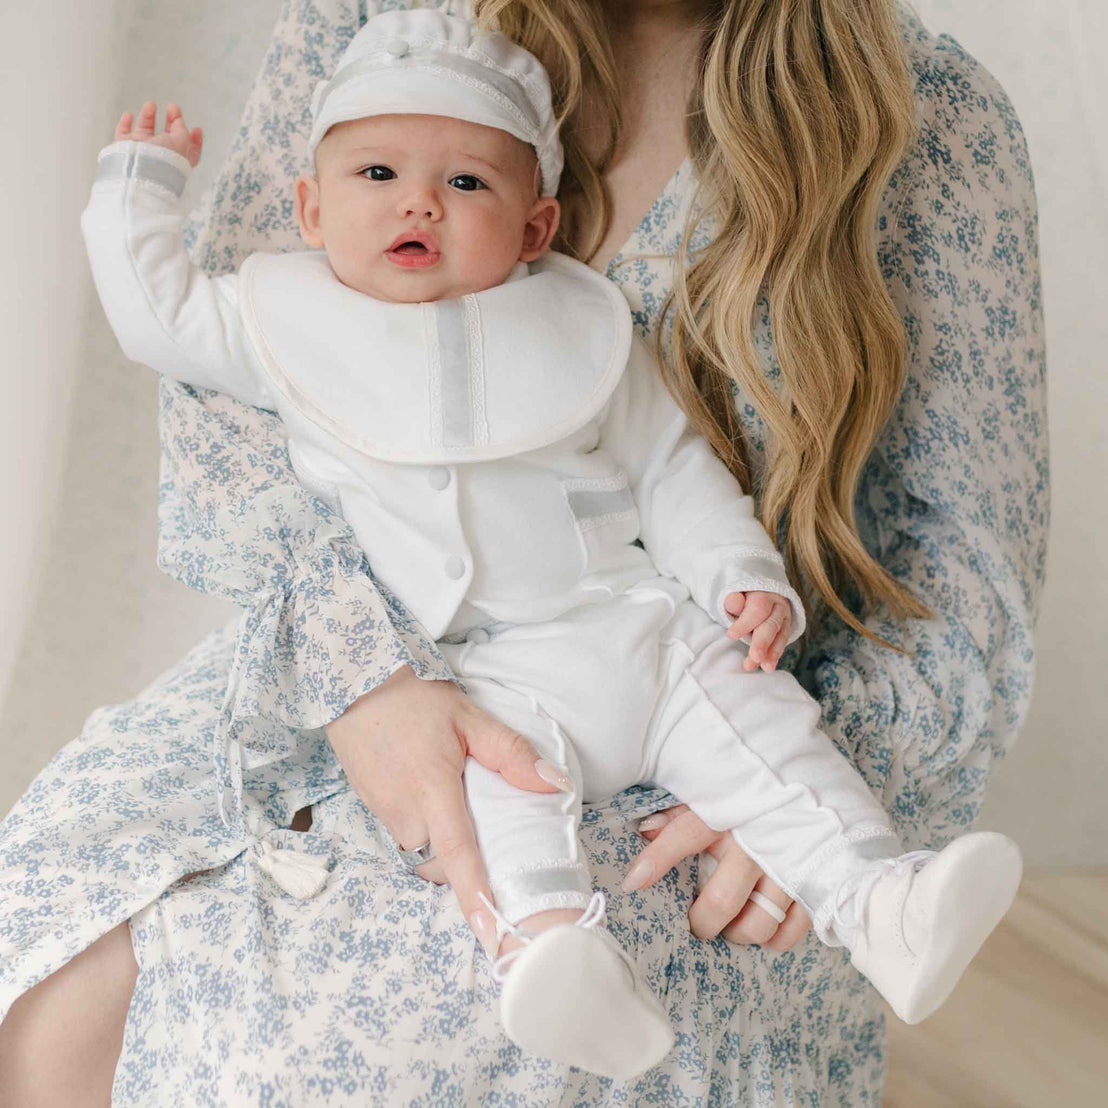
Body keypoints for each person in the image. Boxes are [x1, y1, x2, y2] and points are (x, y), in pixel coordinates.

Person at [0, 0, 1048, 1102]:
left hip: (696, 722)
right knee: (43, 959)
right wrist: (366, 680)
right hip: (346, 654)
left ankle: (868, 905)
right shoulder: (380, 28)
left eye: (465, 185)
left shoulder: (931, 119)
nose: (417, 203)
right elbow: (215, 385)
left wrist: (816, 788)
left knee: (304, 1054)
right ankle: (545, 941)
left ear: (536, 225)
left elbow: (961, 564)